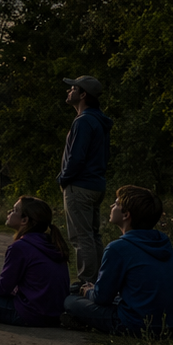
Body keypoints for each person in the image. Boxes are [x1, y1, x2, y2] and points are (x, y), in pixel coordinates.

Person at [64, 185, 173, 334]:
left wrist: (87, 291)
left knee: (71, 301)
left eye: (116, 204)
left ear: (126, 215)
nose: (111, 206)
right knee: (116, 299)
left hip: (138, 324)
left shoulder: (118, 248)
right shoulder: (163, 242)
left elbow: (101, 298)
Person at [0, 195, 71, 325]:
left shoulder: (20, 247)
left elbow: (2, 288)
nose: (9, 213)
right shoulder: (51, 244)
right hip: (54, 316)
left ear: (24, 220)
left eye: (14, 210)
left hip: (28, 315)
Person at [59, 75, 113, 287]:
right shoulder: (99, 120)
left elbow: (76, 157)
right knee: (92, 236)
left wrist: (64, 178)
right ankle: (98, 280)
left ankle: (86, 282)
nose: (68, 91)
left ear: (83, 95)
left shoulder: (83, 121)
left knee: (81, 238)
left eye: (72, 88)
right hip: (96, 185)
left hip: (80, 186)